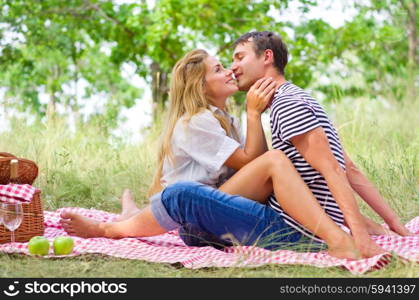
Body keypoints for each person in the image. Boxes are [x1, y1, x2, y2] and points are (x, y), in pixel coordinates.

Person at [61, 49, 362, 259]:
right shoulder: (195, 121)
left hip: (222, 211)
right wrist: (254, 114)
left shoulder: (224, 120)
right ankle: (111, 228)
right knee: (180, 193)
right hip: (198, 221)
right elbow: (251, 162)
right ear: (200, 86)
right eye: (218, 69)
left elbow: (255, 164)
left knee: (273, 162)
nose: (230, 70)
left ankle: (132, 215)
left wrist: (251, 116)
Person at [230, 31, 413, 258]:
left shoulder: (286, 104)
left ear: (267, 57)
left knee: (190, 199)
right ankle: (374, 230)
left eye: (239, 57)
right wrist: (395, 223)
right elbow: (350, 169)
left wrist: (361, 240)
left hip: (291, 226)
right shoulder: (298, 97)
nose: (233, 67)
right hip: (313, 222)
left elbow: (332, 169)